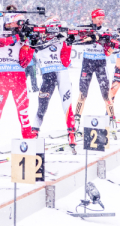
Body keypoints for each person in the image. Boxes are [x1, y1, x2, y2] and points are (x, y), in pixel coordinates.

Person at [0, 7, 37, 162]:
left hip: (19, 79)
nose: (19, 27)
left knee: (24, 114)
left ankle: (29, 143)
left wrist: (30, 44)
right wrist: (16, 38)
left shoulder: (21, 35)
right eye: (16, 24)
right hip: (1, 79)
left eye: (20, 25)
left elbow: (24, 62)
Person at [32, 16, 77, 153]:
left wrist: (68, 44)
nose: (52, 33)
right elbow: (32, 47)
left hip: (62, 73)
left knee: (67, 104)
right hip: (47, 75)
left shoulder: (61, 39)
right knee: (42, 106)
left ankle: (71, 134)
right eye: (51, 30)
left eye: (55, 30)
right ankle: (34, 133)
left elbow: (66, 62)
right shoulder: (39, 39)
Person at [73, 9, 120, 130]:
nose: (101, 20)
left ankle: (112, 119)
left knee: (106, 94)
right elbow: (75, 37)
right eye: (99, 18)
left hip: (100, 63)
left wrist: (110, 45)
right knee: (82, 93)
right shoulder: (85, 29)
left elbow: (109, 52)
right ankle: (76, 120)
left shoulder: (106, 31)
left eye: (102, 18)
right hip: (87, 63)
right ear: (93, 18)